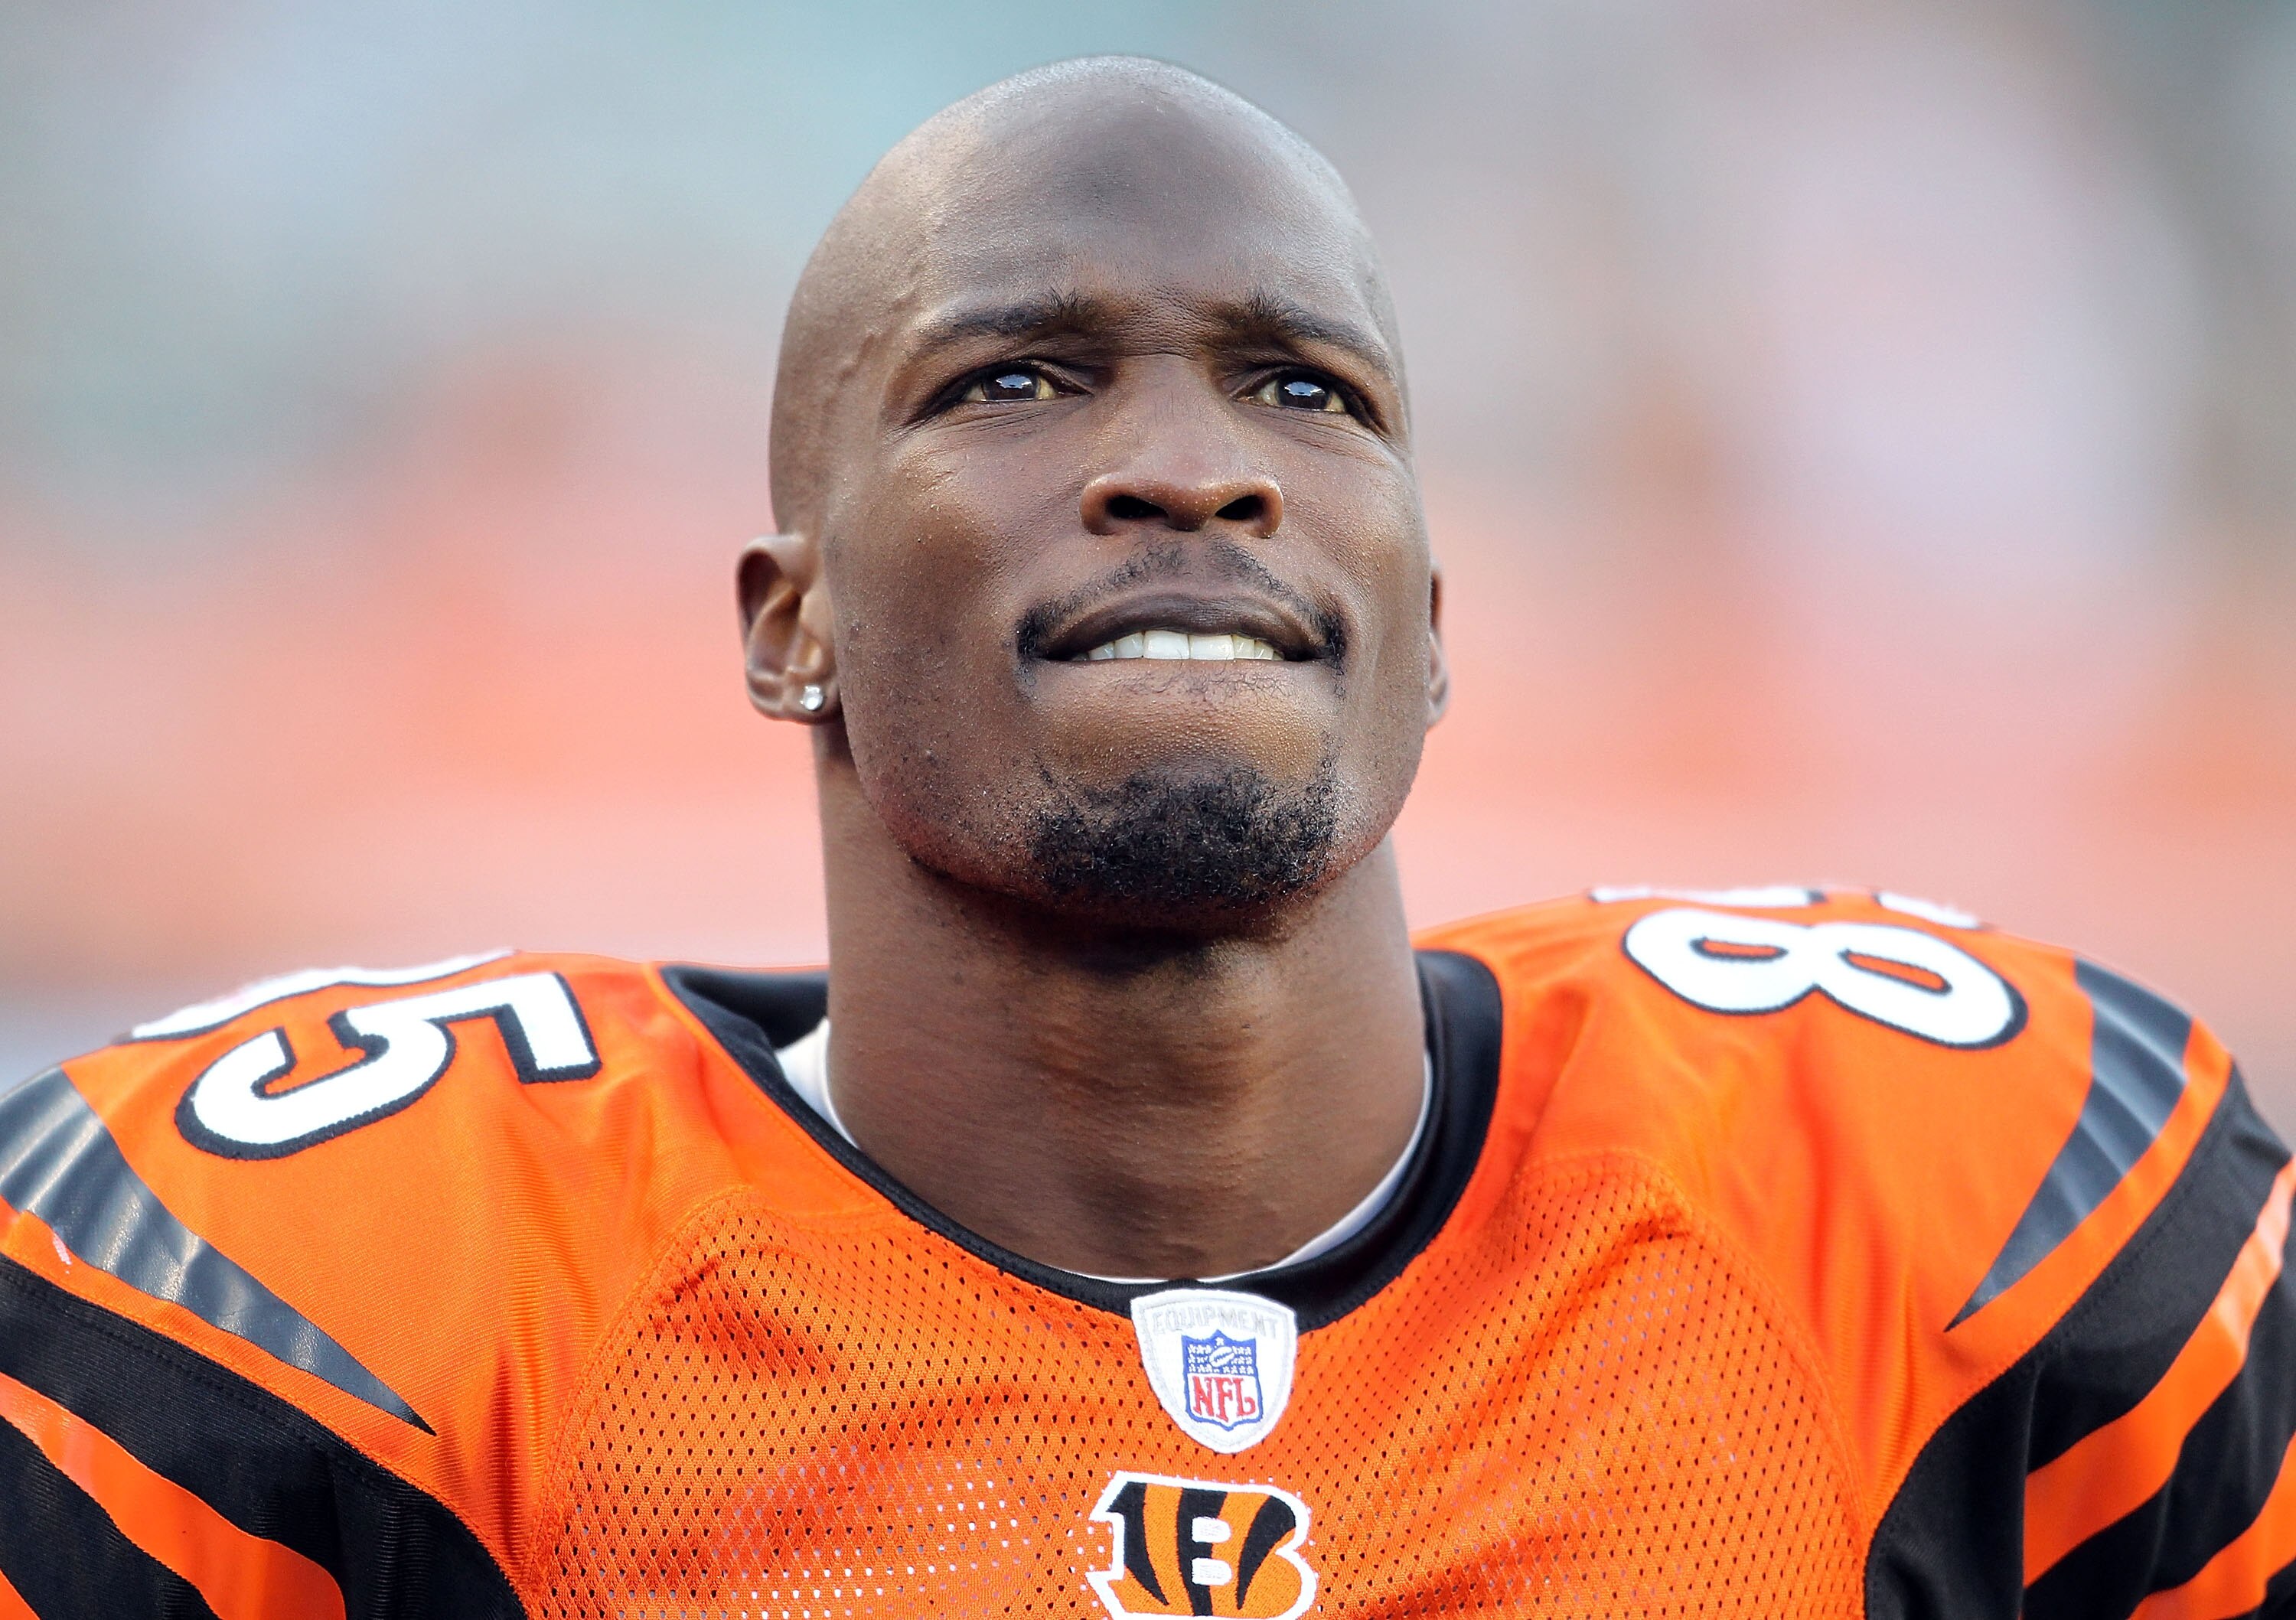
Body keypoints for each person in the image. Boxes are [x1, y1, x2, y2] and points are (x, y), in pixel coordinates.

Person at [0, 56, 2288, 1620]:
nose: (1197, 467)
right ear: (790, 620)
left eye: (1308, 389)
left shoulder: (1958, 1206)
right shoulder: (307, 1307)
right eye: (1016, 381)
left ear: (1430, 621)